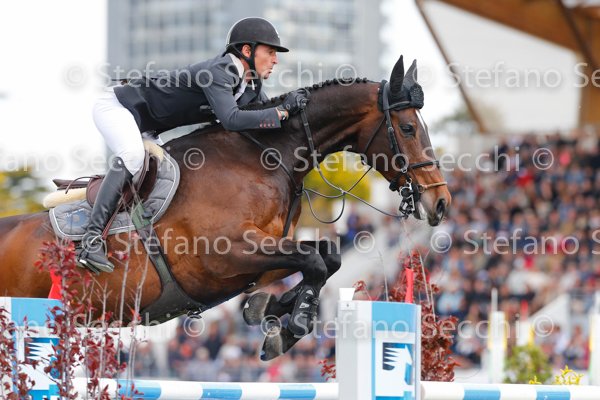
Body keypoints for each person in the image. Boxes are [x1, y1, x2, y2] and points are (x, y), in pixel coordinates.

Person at [77, 17, 310, 273]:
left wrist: (295, 109)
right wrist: (281, 112)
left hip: (148, 126)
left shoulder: (250, 84)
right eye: (271, 52)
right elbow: (232, 120)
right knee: (132, 156)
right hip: (118, 107)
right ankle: (91, 239)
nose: (275, 60)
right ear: (247, 50)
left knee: (172, 175)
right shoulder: (219, 72)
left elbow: (263, 117)